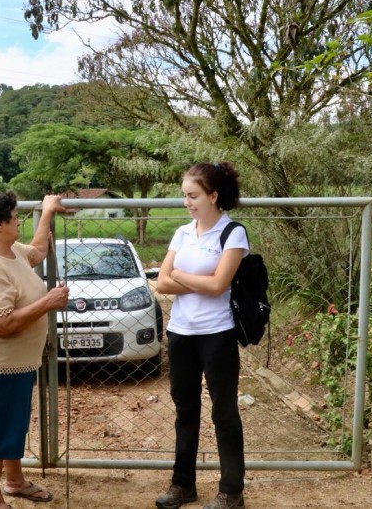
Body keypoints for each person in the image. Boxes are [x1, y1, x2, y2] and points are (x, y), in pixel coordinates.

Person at [0, 191, 69, 509]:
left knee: (12, 425)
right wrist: (47, 302)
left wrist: (48, 211)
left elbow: (37, 251)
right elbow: (3, 325)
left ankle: (14, 481)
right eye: (13, 217)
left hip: (16, 363)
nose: (18, 221)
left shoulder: (10, 251)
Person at [154, 162, 249, 509]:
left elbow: (218, 285)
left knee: (223, 413)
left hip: (217, 335)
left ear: (213, 196)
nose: (187, 203)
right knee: (185, 410)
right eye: (185, 196)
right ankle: (183, 486)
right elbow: (161, 283)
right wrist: (191, 281)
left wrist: (180, 275)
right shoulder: (182, 233)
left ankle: (231, 491)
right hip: (181, 334)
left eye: (193, 195)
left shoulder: (232, 234)